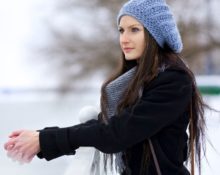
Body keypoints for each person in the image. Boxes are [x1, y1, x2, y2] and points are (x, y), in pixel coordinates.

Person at [4, 0, 207, 174]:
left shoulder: (174, 79)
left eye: (134, 29)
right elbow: (103, 124)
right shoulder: (138, 81)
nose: (124, 39)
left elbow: (117, 133)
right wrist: (40, 137)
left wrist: (45, 139)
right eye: (121, 30)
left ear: (156, 35)